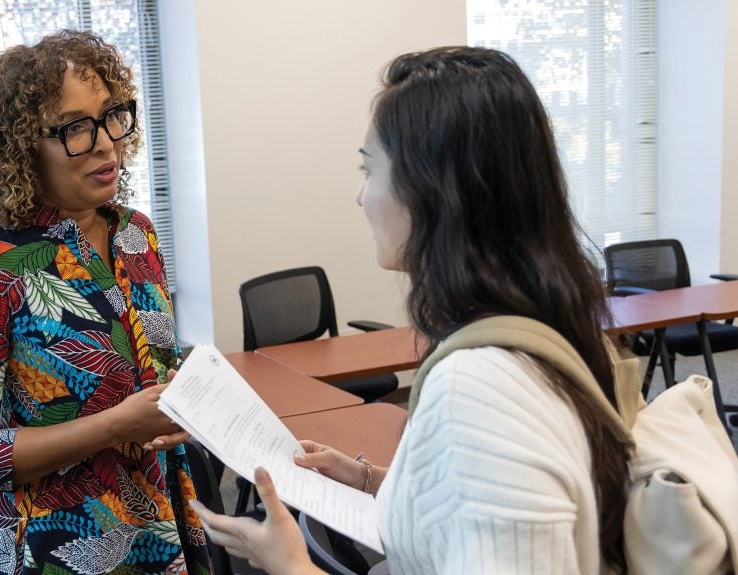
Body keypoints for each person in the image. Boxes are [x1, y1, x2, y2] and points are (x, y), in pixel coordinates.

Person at [189, 47, 634, 574]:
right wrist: (375, 481)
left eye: (369, 168)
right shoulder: (551, 325)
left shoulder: (479, 389)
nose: (361, 196)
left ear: (433, 191)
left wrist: (290, 566)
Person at [0, 30, 209, 575]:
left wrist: (182, 409)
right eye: (76, 127)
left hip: (158, 523)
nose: (107, 142)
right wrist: (113, 425)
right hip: (50, 549)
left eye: (112, 116)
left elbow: (154, 379)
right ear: (22, 148)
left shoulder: (137, 235)